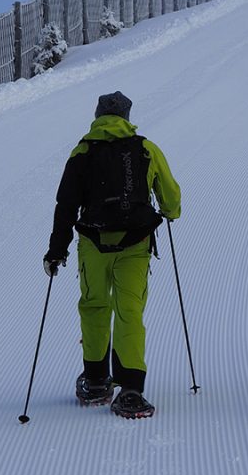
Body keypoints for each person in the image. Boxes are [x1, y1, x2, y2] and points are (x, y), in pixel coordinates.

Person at [43, 91, 181, 419]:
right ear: (127, 118)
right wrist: (168, 211)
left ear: (97, 116)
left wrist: (56, 251)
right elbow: (171, 198)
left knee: (94, 306)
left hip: (93, 242)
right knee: (129, 310)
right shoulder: (146, 148)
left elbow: (65, 206)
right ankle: (131, 389)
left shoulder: (82, 151)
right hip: (135, 244)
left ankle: (95, 380)